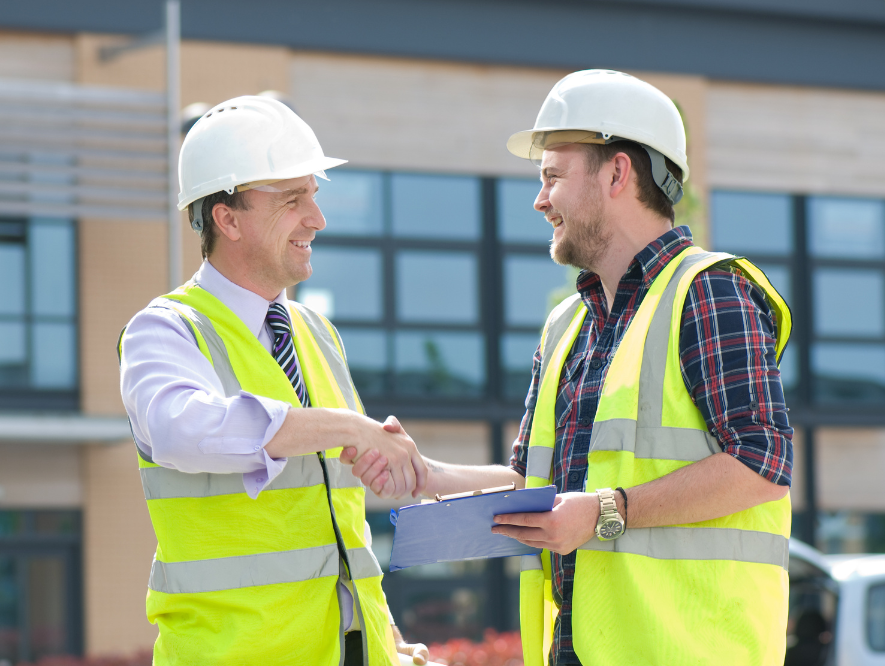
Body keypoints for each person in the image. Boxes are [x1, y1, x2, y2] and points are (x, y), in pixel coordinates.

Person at [346, 70, 793, 666]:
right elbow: (537, 489)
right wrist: (427, 474)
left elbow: (761, 463)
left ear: (617, 173)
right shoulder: (567, 326)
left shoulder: (709, 292)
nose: (539, 200)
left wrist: (608, 511)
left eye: (552, 176)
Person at [119, 95, 429, 666]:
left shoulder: (317, 333)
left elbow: (339, 524)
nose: (317, 217)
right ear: (227, 218)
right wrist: (349, 427)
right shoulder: (164, 332)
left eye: (314, 194)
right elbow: (181, 432)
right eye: (293, 200)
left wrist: (378, 638)